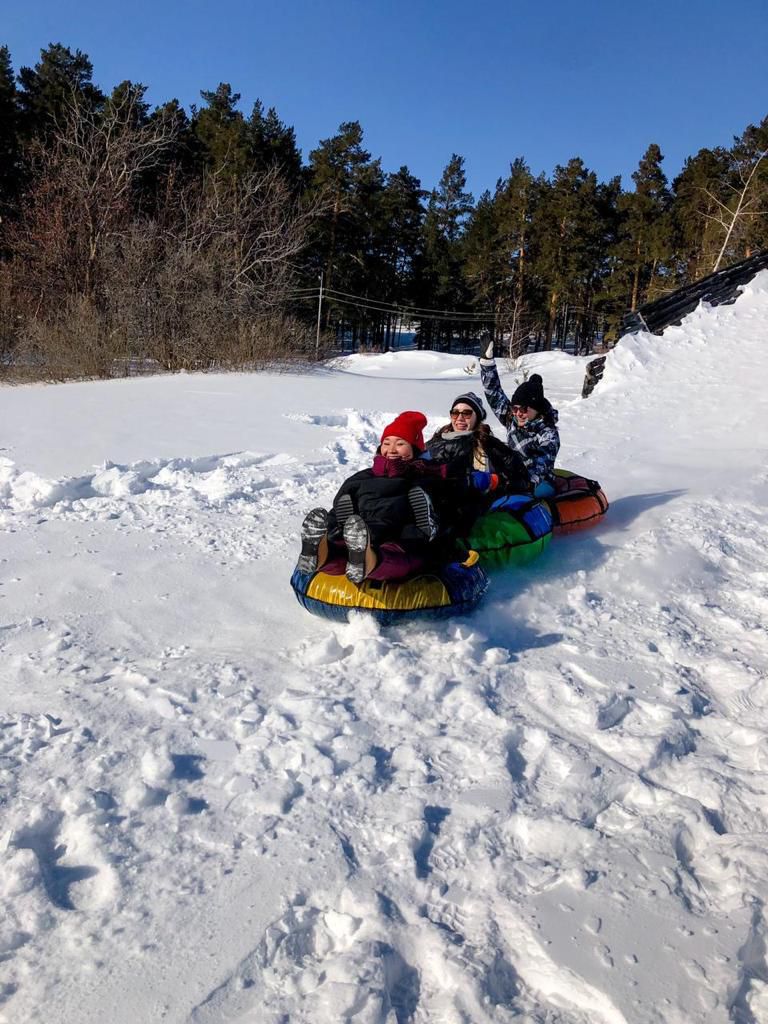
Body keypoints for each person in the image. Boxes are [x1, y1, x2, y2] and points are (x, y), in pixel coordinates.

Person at [296, 411, 453, 585]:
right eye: (386, 443)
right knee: (346, 545)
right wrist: (333, 526)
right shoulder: (361, 479)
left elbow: (444, 511)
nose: (391, 449)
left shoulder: (425, 478)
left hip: (402, 539)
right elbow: (339, 508)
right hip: (360, 533)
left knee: (397, 554)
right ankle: (320, 555)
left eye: (400, 444)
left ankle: (366, 560)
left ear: (415, 448)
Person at [425, 391, 531, 536]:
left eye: (467, 413)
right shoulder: (434, 444)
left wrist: (496, 481)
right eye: (455, 413)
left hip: (475, 501)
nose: (460, 418)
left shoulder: (490, 446)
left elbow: (520, 477)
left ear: (477, 417)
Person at [479, 336, 560, 496]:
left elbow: (542, 463)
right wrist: (487, 364)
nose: (518, 413)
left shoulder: (548, 433)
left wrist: (521, 481)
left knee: (533, 493)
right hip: (512, 473)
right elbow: (494, 393)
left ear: (537, 409)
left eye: (523, 409)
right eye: (514, 408)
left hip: (539, 480)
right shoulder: (513, 419)